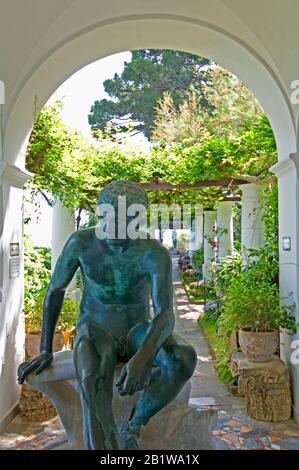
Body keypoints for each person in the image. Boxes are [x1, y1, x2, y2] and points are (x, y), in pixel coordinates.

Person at [18, 180, 197, 450]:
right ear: (99, 213)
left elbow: (164, 314)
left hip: (138, 329)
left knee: (184, 358)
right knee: (93, 380)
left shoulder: (153, 252)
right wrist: (46, 350)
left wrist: (143, 357)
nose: (112, 227)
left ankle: (134, 426)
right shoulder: (81, 243)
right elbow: (55, 290)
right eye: (105, 217)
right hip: (96, 329)